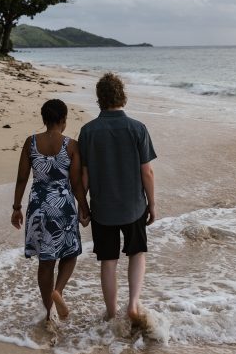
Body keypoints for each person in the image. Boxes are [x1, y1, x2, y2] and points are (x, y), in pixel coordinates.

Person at [78, 73, 157, 326]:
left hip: (103, 208)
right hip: (133, 206)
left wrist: (83, 206)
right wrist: (152, 204)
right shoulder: (137, 128)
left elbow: (85, 175)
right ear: (122, 95)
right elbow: (147, 171)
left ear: (100, 98)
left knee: (108, 261)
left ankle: (112, 314)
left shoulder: (88, 131)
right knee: (137, 254)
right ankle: (133, 304)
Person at [11, 99, 88, 323]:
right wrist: (85, 209)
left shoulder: (31, 142)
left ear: (44, 119)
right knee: (70, 253)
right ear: (64, 120)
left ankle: (48, 312)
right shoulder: (71, 145)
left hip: (38, 206)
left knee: (45, 262)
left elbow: (22, 178)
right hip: (63, 206)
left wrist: (17, 207)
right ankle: (59, 290)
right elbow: (76, 184)